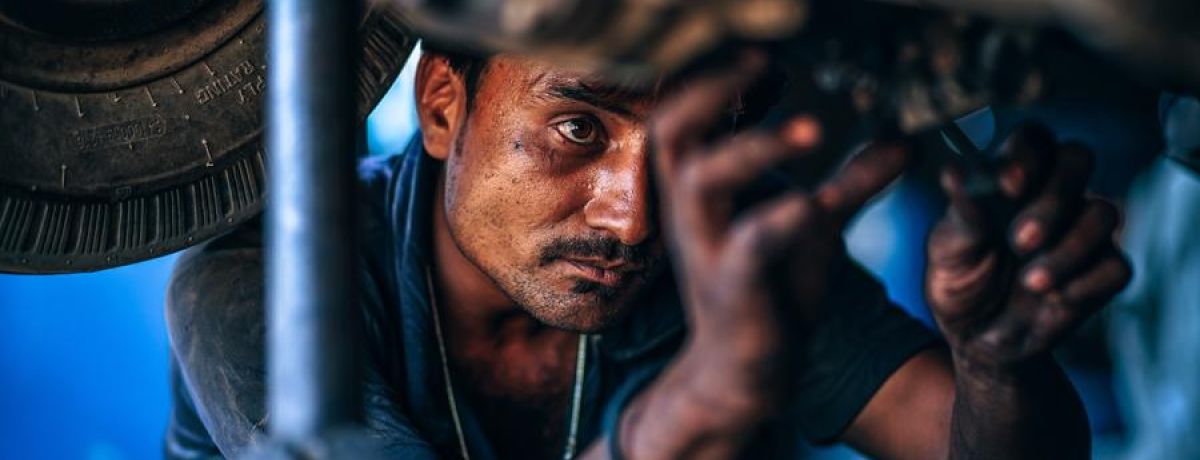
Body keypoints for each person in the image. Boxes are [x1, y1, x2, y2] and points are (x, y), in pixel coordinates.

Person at [164, 45, 1131, 459]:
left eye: (687, 145)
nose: (633, 221)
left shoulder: (729, 249)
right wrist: (697, 400)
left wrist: (997, 362)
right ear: (443, 105)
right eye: (578, 128)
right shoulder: (251, 287)